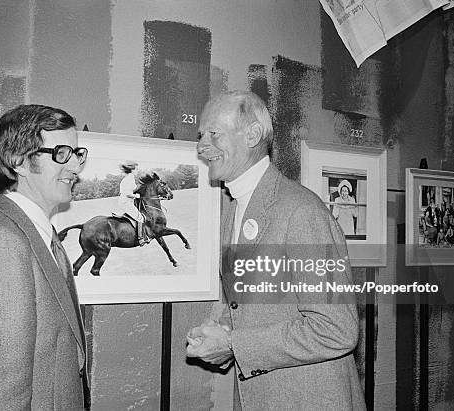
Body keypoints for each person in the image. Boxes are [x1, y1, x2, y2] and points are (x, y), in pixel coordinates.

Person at [186, 91, 364, 410]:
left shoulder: (301, 212)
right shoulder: (232, 208)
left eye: (214, 133)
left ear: (253, 135)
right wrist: (223, 328)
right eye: (201, 135)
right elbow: (250, 303)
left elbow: (337, 329)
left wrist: (233, 343)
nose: (201, 146)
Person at [0, 104, 91, 410]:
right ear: (18, 160)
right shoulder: (4, 244)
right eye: (61, 153)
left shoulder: (32, 233)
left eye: (77, 154)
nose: (75, 167)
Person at [118, 161, 149, 245]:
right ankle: (140, 239)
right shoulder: (129, 178)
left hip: (126, 202)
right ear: (132, 170)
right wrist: (137, 196)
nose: (137, 171)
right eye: (137, 169)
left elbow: (134, 189)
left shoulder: (129, 178)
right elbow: (127, 193)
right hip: (126, 203)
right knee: (140, 218)